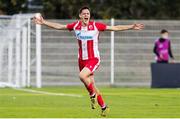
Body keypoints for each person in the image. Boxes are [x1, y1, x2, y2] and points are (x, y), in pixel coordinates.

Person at [33, 6, 144, 116]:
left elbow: (115, 28)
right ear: (80, 15)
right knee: (92, 85)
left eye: (88, 14)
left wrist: (131, 26)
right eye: (84, 14)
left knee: (82, 76)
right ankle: (104, 107)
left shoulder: (96, 26)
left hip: (93, 59)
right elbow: (60, 26)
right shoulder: (76, 26)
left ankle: (92, 95)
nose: (86, 15)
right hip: (81, 60)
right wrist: (44, 22)